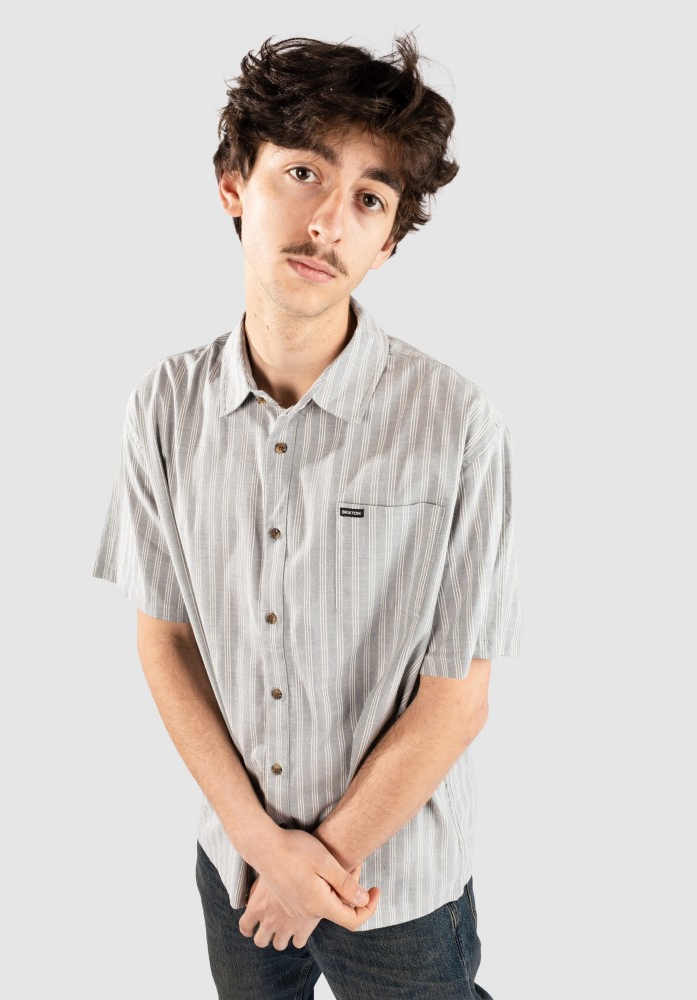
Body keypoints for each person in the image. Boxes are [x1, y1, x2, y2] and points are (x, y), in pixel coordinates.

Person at [92, 32, 522, 1000]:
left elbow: (459, 696)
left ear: (389, 240)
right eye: (302, 173)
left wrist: (313, 868)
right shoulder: (162, 406)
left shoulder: (458, 423)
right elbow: (164, 640)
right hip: (234, 866)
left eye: (370, 199)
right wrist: (260, 847)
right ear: (233, 186)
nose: (329, 220)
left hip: (394, 888)